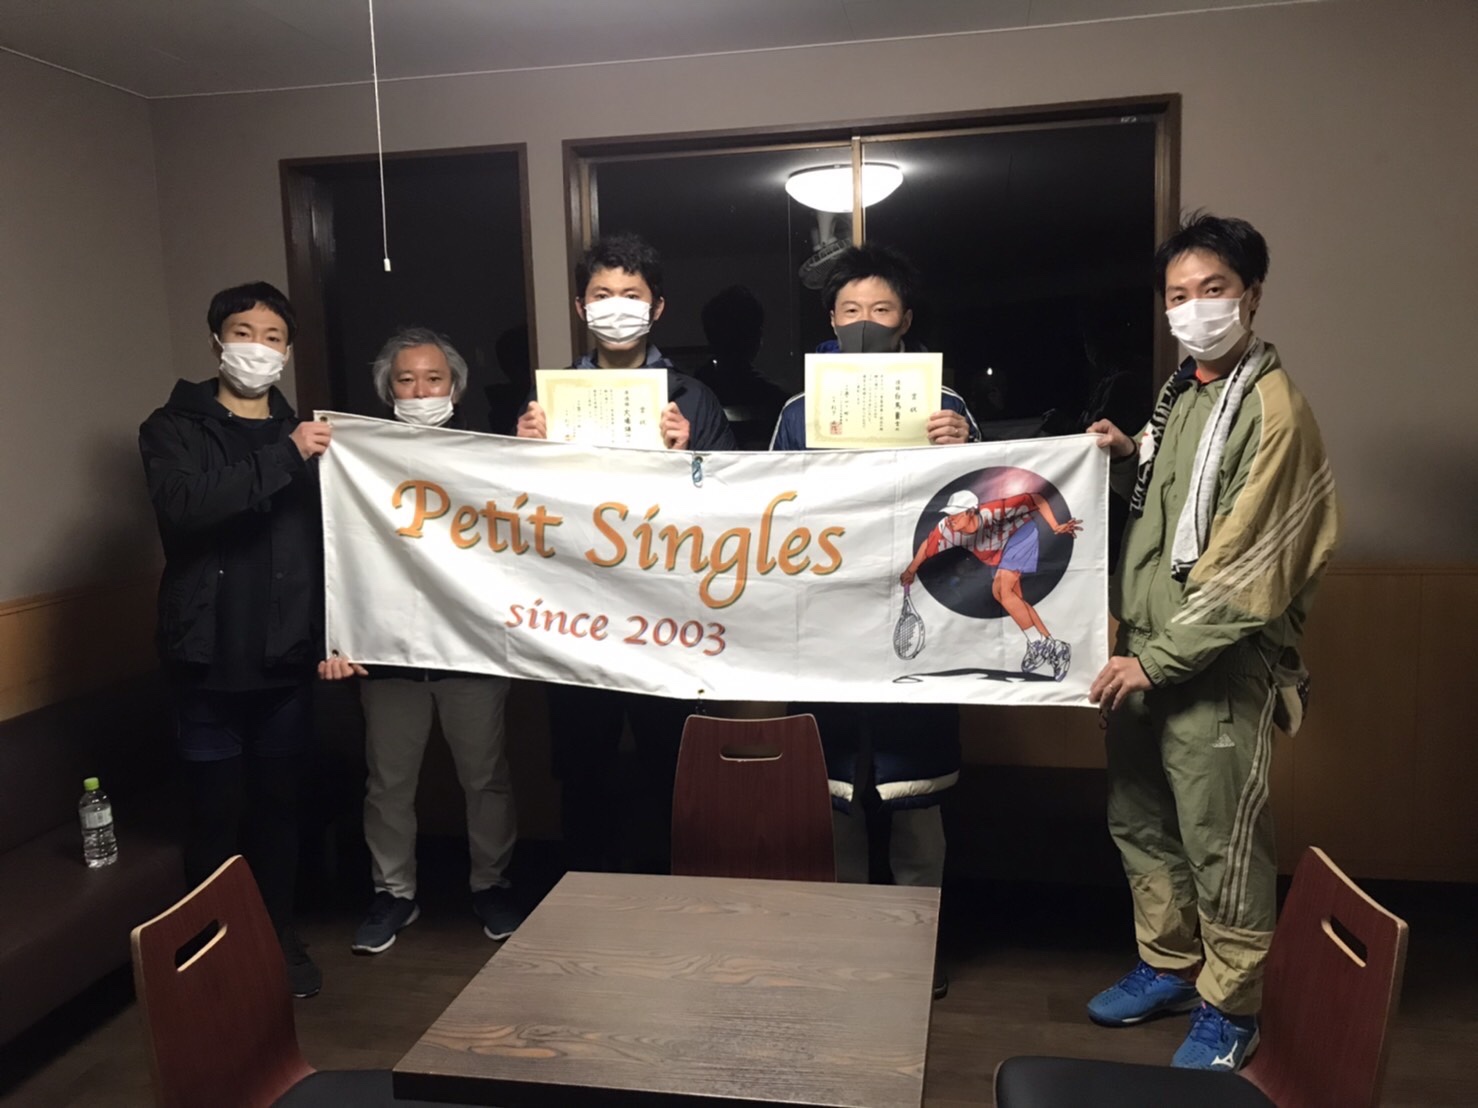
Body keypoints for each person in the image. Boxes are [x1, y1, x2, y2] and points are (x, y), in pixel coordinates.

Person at [1085, 213, 1339, 1070]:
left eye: (1213, 289)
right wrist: (1128, 455)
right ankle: (1168, 963)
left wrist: (1152, 661)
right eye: (1178, 294)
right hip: (1143, 653)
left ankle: (1231, 1006)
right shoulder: (1184, 394)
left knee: (1221, 839)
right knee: (1142, 817)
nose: (1194, 308)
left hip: (1215, 668)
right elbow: (1170, 503)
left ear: (1251, 296)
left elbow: (1249, 574)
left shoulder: (1274, 409)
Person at [771, 243, 978, 999]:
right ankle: (847, 945)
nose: (866, 321)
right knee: (835, 798)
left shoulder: (946, 403)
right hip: (829, 621)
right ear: (830, 320)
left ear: (906, 320)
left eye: (881, 309)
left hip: (919, 616)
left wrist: (965, 449)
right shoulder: (799, 408)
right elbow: (768, 509)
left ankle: (915, 949)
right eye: (851, 309)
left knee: (916, 800)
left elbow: (987, 505)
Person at [516, 233, 736, 872]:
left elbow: (734, 505)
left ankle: (676, 899)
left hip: (667, 614)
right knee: (583, 767)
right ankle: (584, 902)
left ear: (657, 307)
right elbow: (515, 512)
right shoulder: (549, 399)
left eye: (632, 295)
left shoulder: (692, 398)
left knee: (672, 762)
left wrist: (691, 456)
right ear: (580, 307)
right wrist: (520, 449)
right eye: (602, 294)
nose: (617, 306)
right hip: (575, 613)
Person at [139, 281, 328, 999]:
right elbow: (187, 506)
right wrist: (286, 456)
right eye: (244, 333)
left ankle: (279, 940)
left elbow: (339, 542)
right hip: (204, 659)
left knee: (280, 810)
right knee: (214, 814)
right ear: (218, 340)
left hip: (285, 659)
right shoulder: (172, 428)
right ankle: (210, 953)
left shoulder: (312, 434)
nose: (258, 347)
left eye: (273, 337)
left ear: (288, 351)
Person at [319, 328, 523, 953]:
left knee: (485, 779)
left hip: (470, 647)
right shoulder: (359, 458)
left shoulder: (486, 455)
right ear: (389, 390)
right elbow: (339, 548)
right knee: (388, 783)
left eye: (433, 379)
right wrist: (340, 635)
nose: (420, 390)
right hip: (388, 653)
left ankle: (492, 885)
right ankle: (393, 893)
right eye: (406, 380)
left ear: (454, 388)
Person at [899, 490, 1082, 681]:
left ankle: (1039, 643)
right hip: (999, 554)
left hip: (1020, 535)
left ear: (971, 511)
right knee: (1014, 600)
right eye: (949, 514)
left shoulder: (994, 511)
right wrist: (911, 570)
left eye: (956, 514)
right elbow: (927, 545)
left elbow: (1036, 498)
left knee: (1001, 590)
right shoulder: (946, 529)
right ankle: (1054, 646)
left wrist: (1055, 526)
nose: (951, 519)